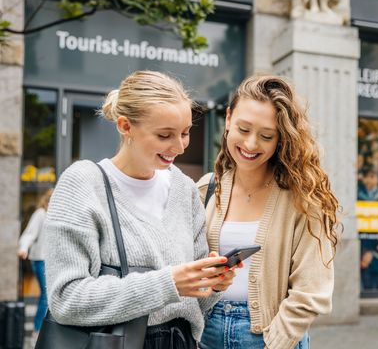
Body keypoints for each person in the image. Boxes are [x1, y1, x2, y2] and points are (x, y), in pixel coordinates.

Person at [44, 71, 236, 348]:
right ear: (125, 126)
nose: (179, 147)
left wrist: (213, 282)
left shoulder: (183, 188)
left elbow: (195, 301)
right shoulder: (84, 183)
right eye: (164, 135)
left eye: (185, 133)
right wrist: (167, 283)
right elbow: (66, 298)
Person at [197, 75, 338, 349]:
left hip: (269, 337)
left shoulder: (303, 197)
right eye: (244, 129)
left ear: (280, 138)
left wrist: (276, 341)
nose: (251, 145)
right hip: (206, 335)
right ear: (228, 119)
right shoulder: (206, 189)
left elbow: (312, 289)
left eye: (266, 136)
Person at [17, 189, 53, 337]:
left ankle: (45, 331)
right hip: (41, 260)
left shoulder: (59, 215)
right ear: (47, 200)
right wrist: (23, 248)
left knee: (50, 296)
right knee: (46, 296)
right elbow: (29, 234)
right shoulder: (40, 214)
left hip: (53, 261)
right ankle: (37, 332)